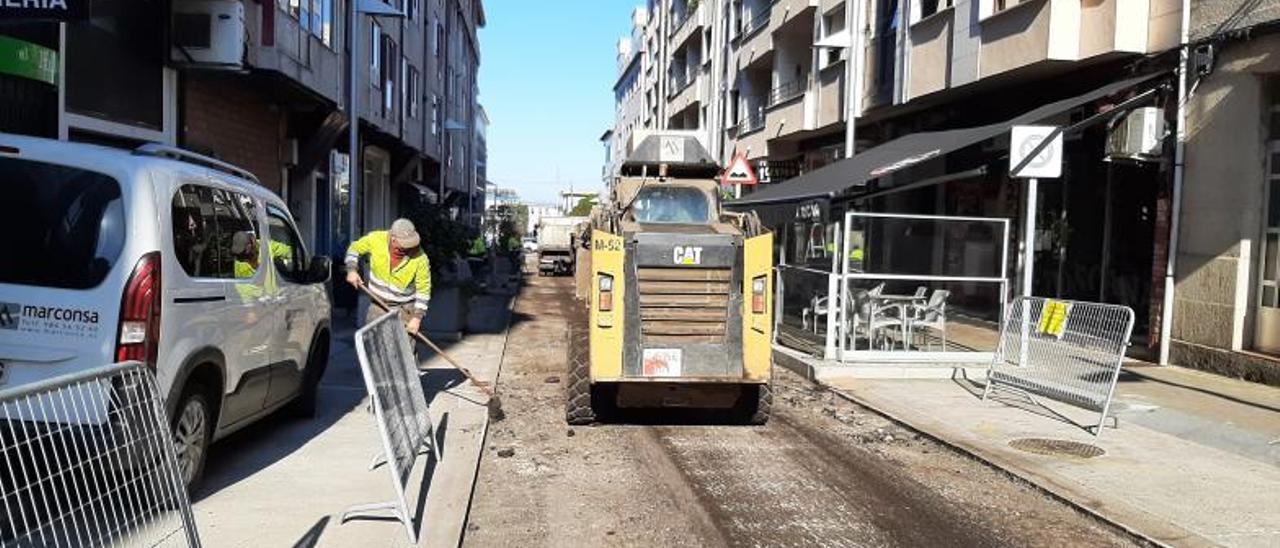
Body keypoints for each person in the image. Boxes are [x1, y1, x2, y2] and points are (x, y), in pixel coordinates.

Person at [344, 218, 432, 334]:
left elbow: (423, 290)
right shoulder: (376, 239)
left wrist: (417, 318)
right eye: (403, 245)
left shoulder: (421, 258)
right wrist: (351, 270)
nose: (407, 249)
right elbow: (354, 249)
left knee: (405, 349)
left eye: (410, 245)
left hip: (405, 309)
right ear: (393, 238)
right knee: (375, 347)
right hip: (378, 305)